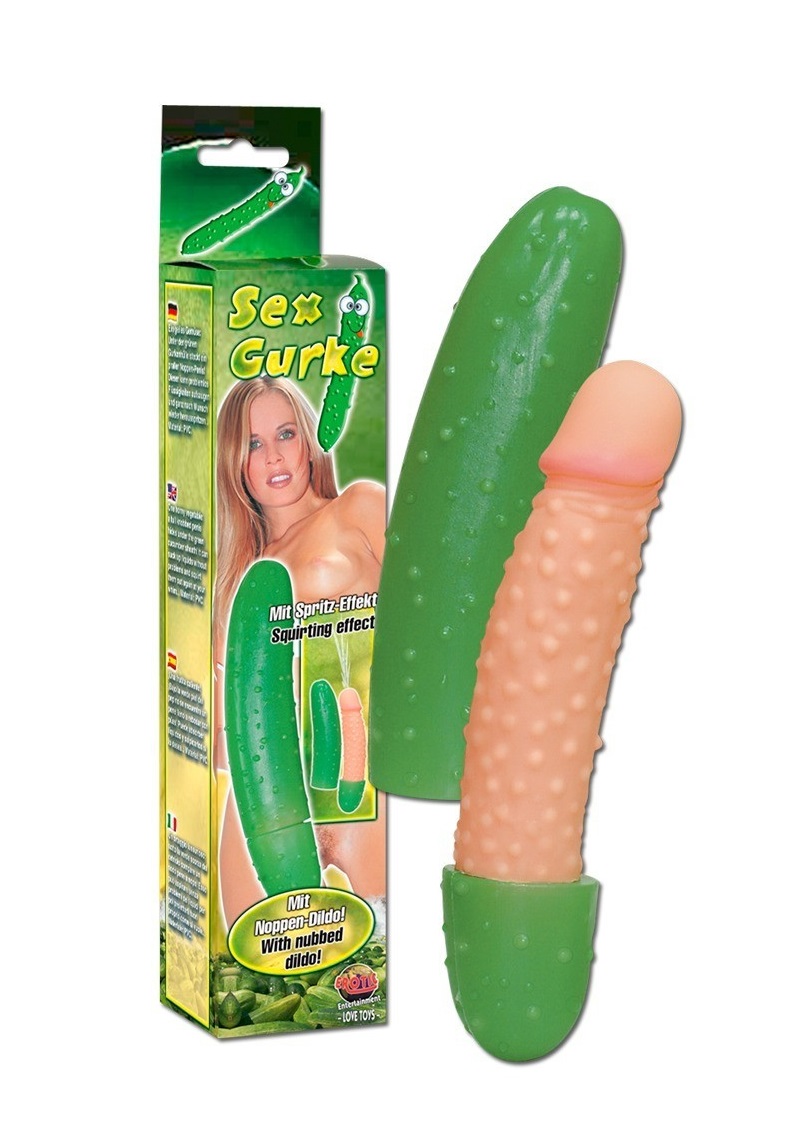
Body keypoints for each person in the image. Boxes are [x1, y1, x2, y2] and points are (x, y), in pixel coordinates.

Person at [213, 376, 386, 928]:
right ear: (235, 463)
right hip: (265, 807)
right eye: (254, 443)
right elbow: (223, 740)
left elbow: (427, 618)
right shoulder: (235, 578)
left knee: (377, 943)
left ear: (309, 440)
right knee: (256, 962)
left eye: (286, 434)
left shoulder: (359, 507)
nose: (274, 456)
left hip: (362, 780)